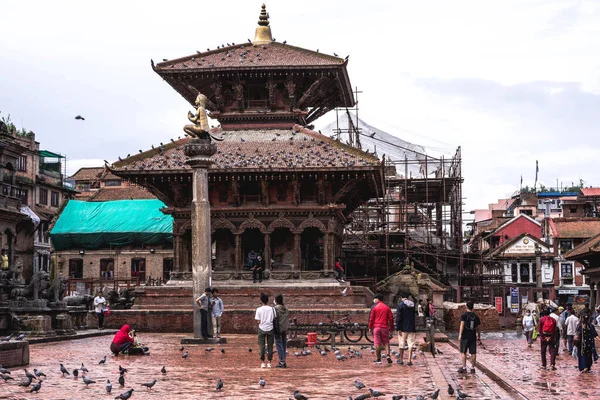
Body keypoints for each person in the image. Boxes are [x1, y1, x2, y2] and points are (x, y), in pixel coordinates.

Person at [368, 293, 394, 365]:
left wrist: (370, 327)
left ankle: (378, 359)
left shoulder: (375, 308)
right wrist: (391, 328)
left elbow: (371, 319)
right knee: (386, 342)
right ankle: (388, 355)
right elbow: (391, 319)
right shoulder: (387, 307)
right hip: (385, 327)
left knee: (377, 343)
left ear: (377, 299)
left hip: (376, 327)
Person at [458, 301, 481, 374]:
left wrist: (460, 334)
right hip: (473, 336)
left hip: (465, 336)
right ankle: (472, 368)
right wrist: (479, 336)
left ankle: (464, 368)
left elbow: (462, 325)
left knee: (463, 352)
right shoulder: (476, 316)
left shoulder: (464, 315)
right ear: (473, 307)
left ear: (466, 307)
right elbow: (478, 327)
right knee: (473, 353)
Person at [396, 293, 416, 366]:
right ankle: (409, 360)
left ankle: (401, 359)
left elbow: (399, 317)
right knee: (410, 344)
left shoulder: (400, 305)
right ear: (408, 297)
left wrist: (398, 328)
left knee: (402, 343)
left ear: (401, 297)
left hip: (403, 327)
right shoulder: (412, 305)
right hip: (411, 327)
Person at [255, 293, 274, 368]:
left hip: (262, 328)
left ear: (261, 300)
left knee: (262, 345)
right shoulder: (272, 309)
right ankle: (269, 362)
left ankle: (262, 362)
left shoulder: (259, 309)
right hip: (270, 328)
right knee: (270, 346)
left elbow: (258, 321)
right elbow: (274, 318)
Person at [273, 294, 289, 368]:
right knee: (283, 344)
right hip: (284, 328)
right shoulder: (285, 308)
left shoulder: (275, 309)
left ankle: (282, 361)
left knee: (279, 344)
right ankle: (283, 360)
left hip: (278, 329)